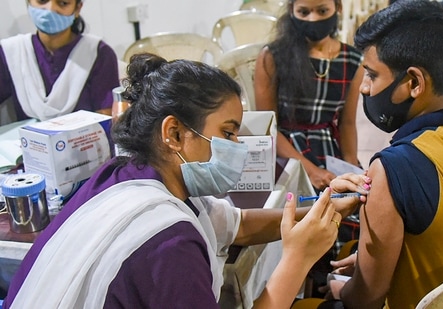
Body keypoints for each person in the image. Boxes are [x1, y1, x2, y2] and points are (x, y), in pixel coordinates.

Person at [2, 54, 368, 309]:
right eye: (228, 133)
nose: (238, 149)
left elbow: (239, 227)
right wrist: (297, 260)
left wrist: (323, 205)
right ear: (174, 133)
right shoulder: (169, 246)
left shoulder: (127, 176)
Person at [320, 0, 443, 308]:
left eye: (371, 74)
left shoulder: (392, 170)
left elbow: (366, 299)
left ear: (413, 82)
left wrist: (338, 288)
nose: (365, 88)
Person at [254, 0, 365, 277]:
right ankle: (304, 280)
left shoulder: (352, 60)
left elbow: (348, 123)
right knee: (306, 213)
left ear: (337, 8)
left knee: (353, 208)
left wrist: (351, 166)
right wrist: (309, 168)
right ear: (292, 11)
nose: (313, 18)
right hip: (285, 150)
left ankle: (336, 279)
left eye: (322, 11)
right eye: (304, 12)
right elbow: (267, 127)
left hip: (329, 144)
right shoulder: (273, 56)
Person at [0, 0, 119, 124]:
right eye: (42, 1)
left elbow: (107, 116)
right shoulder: (12, 52)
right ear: (28, 3)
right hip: (25, 141)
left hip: (84, 140)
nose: (50, 9)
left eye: (63, 3)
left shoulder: (97, 53)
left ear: (77, 9)